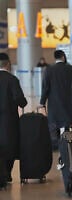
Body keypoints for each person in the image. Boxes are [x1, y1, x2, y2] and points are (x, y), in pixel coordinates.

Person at [40, 50, 72, 150]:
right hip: (68, 103)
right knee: (67, 124)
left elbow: (45, 88)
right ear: (63, 57)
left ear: (55, 58)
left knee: (54, 125)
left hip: (54, 104)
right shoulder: (71, 69)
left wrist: (42, 103)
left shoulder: (49, 70)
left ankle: (55, 146)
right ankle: (67, 144)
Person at [0, 53, 27, 184]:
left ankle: (2, 174)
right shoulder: (12, 79)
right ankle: (6, 173)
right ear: (8, 64)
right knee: (10, 146)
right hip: (9, 120)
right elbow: (20, 100)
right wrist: (23, 103)